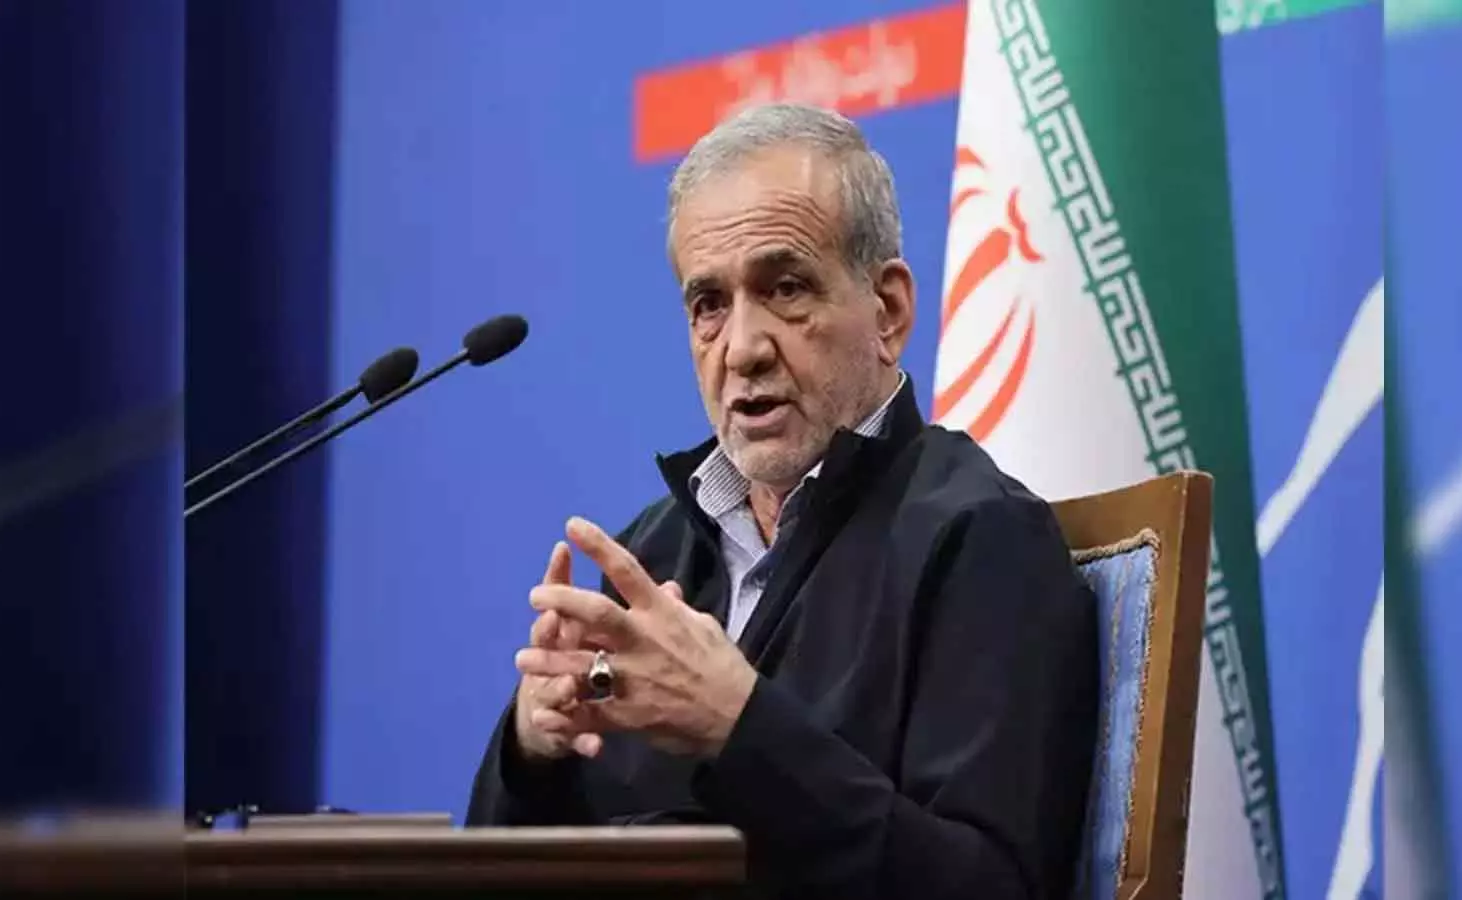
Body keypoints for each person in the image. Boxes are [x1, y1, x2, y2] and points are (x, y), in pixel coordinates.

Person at [465, 102, 1099, 900]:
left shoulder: (980, 539)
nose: (743, 349)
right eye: (709, 305)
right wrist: (532, 748)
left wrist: (739, 723)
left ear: (888, 312)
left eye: (786, 288)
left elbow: (987, 887)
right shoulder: (652, 557)